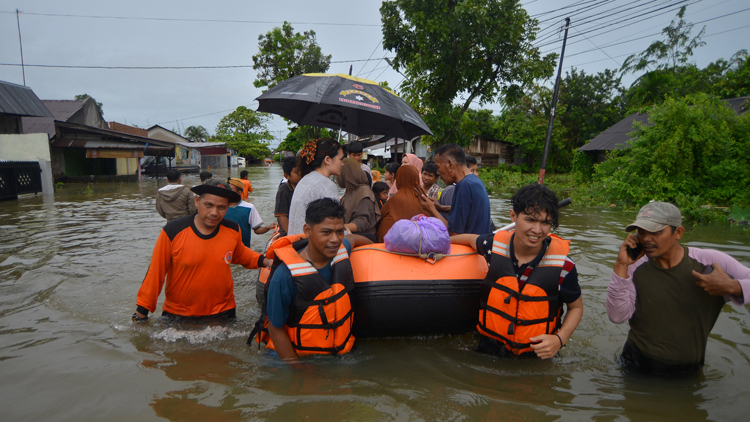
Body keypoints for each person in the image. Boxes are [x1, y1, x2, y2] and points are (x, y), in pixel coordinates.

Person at [607, 202, 750, 374]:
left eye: (655, 231)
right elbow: (617, 316)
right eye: (642, 232)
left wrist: (733, 286)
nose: (646, 238)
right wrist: (621, 265)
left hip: (688, 371)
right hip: (635, 366)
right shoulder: (633, 265)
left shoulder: (710, 262)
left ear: (678, 232)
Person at [451, 184, 584, 359]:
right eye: (530, 220)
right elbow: (468, 239)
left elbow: (576, 307)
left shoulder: (564, 267)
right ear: (513, 216)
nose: (537, 230)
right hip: (489, 348)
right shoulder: (492, 246)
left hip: (536, 356)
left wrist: (560, 339)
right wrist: (440, 245)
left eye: (545, 222)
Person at [133, 179, 272, 322]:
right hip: (179, 315)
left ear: (228, 207)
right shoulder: (173, 231)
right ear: (197, 201)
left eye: (221, 207)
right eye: (209, 205)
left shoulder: (232, 230)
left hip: (224, 312)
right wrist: (142, 311)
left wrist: (266, 261)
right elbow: (156, 272)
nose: (214, 213)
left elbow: (241, 254)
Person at [263, 198, 373, 361]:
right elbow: (275, 328)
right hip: (297, 355)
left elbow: (355, 239)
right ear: (307, 230)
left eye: (340, 231)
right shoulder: (284, 276)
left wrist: (377, 245)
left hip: (337, 349)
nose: (335, 239)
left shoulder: (341, 252)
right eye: (326, 232)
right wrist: (296, 368)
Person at [419, 144, 491, 235]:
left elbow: (454, 233)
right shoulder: (475, 181)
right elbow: (468, 211)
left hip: (469, 248)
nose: (438, 172)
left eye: (438, 167)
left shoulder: (463, 186)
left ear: (450, 164)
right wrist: (440, 208)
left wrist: (432, 209)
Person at [287, 138, 344, 236]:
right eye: (341, 159)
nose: (342, 164)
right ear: (327, 160)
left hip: (295, 241)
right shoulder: (327, 185)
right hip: (309, 244)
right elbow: (334, 223)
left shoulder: (305, 179)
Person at [376, 165, 425, 243]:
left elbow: (380, 216)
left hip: (390, 242)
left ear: (398, 179)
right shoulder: (423, 197)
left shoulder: (394, 199)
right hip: (419, 243)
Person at [225, 178, 277, 247]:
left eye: (230, 190)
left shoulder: (249, 207)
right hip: (222, 248)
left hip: (242, 250)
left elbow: (257, 230)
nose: (227, 192)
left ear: (239, 192)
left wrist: (268, 227)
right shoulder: (221, 206)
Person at [338, 158, 381, 238]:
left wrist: (337, 227)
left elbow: (362, 223)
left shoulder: (364, 192)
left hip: (362, 239)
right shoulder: (349, 191)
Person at [274, 156, 302, 237]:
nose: (301, 174)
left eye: (302, 171)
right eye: (297, 172)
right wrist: (291, 234)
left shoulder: (305, 187)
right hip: (288, 232)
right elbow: (281, 215)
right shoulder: (284, 189)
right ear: (286, 176)